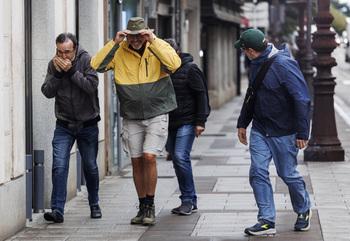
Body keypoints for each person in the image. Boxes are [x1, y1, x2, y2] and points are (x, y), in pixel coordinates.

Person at [90, 17, 181, 226]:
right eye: (132, 36)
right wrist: (114, 43)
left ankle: (150, 204)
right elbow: (96, 65)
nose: (135, 40)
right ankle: (142, 206)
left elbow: (175, 64)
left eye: (140, 35)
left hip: (157, 112)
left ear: (146, 33)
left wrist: (154, 40)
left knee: (149, 157)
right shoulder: (119, 50)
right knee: (136, 160)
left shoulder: (156, 46)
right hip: (131, 115)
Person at [235, 29, 312, 236]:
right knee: (258, 172)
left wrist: (302, 133)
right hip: (260, 129)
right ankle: (267, 219)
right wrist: (243, 123)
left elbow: (302, 99)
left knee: (287, 174)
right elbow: (252, 94)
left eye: (243, 49)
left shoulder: (284, 65)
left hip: (284, 131)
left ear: (251, 50)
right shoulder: (255, 64)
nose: (243, 52)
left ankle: (304, 209)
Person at [42, 32, 102, 223]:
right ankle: (57, 211)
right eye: (60, 52)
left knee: (90, 167)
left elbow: (91, 86)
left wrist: (70, 72)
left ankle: (94, 203)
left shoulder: (87, 61)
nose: (63, 56)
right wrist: (59, 74)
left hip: (88, 124)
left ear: (75, 49)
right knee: (59, 166)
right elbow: (47, 91)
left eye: (67, 52)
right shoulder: (54, 65)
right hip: (64, 124)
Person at [164, 39, 211, 215]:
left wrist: (200, 121)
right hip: (168, 122)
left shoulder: (190, 69)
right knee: (176, 159)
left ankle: (187, 200)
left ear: (176, 54)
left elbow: (202, 95)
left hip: (187, 120)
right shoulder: (159, 69)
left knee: (180, 156)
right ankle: (190, 198)